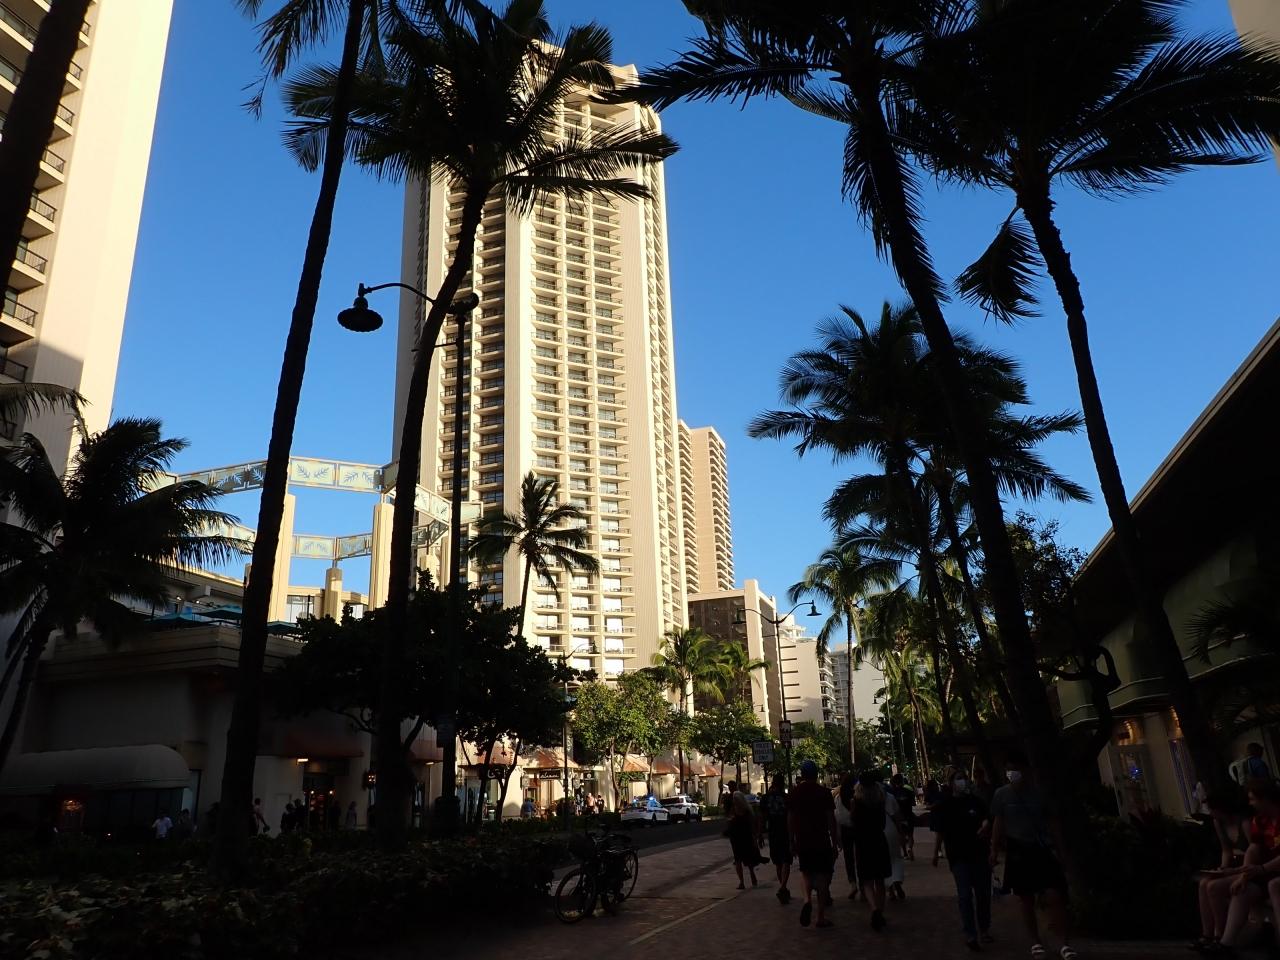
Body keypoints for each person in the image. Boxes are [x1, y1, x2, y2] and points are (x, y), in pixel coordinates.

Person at [989, 749, 1074, 960]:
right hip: (1018, 850)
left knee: (1055, 895)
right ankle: (1035, 942)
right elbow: (998, 822)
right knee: (1025, 899)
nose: (1012, 773)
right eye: (1009, 770)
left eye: (1015, 769)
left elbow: (1053, 824)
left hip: (1041, 848)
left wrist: (1061, 851)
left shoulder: (1039, 793)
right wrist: (993, 849)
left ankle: (1063, 942)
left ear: (1026, 769)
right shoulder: (1001, 795)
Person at [1208, 778, 1280, 957]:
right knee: (1241, 889)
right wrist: (1244, 875)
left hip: (1271, 870)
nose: (1250, 803)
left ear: (1265, 799)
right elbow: (1253, 847)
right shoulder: (1260, 821)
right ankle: (1226, 943)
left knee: (1274, 885)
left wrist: (1262, 869)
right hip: (1265, 871)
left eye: (1253, 799)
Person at [1191, 787, 1252, 952]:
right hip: (1233, 865)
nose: (1210, 813)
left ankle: (1220, 933)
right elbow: (1226, 849)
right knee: (1204, 883)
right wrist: (1223, 867)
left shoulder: (1244, 822)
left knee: (1213, 886)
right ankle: (1207, 934)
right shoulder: (1218, 823)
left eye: (1212, 809)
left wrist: (1239, 871)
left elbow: (1253, 849)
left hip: (1247, 864)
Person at [939, 768, 993, 951]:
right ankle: (971, 933)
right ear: (951, 783)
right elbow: (941, 831)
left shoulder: (976, 802)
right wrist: (937, 852)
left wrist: (985, 825)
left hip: (979, 854)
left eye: (963, 778)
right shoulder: (946, 805)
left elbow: (987, 818)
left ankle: (984, 929)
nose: (961, 781)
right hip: (958, 857)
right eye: (957, 779)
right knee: (964, 896)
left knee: (983, 895)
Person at [788, 759, 839, 929]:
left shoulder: (795, 793)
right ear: (816, 774)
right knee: (823, 877)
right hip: (821, 840)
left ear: (802, 774)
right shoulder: (823, 793)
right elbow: (831, 820)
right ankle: (820, 917)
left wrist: (791, 840)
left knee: (806, 873)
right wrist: (834, 841)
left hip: (803, 840)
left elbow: (790, 819)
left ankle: (806, 900)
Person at [852, 773, 891, 931]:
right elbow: (883, 823)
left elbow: (853, 822)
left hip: (863, 842)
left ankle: (874, 908)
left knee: (867, 880)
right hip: (878, 840)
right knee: (880, 879)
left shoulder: (856, 802)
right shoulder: (880, 801)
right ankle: (880, 911)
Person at [764, 774, 793, 904]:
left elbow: (762, 817)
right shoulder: (787, 798)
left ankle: (783, 887)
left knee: (778, 862)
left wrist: (759, 834)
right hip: (785, 832)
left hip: (773, 832)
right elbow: (791, 816)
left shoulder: (766, 798)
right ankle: (783, 887)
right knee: (786, 860)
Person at [727, 791, 764, 889]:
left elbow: (752, 824)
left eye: (736, 800)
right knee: (738, 860)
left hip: (745, 837)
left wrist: (755, 836)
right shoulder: (735, 810)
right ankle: (742, 881)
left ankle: (751, 874)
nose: (735, 802)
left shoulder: (746, 811)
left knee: (747, 858)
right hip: (736, 838)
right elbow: (730, 821)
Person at [836, 774, 861, 900]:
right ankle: (864, 885)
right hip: (859, 828)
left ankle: (853, 883)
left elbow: (837, 817)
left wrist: (837, 836)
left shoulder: (839, 797)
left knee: (848, 857)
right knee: (860, 856)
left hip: (845, 829)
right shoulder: (858, 795)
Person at [883, 780, 907, 900]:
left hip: (877, 832)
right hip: (891, 829)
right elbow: (897, 816)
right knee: (895, 858)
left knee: (883, 861)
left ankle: (890, 890)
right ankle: (896, 881)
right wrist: (901, 832)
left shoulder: (866, 797)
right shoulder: (889, 796)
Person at [890, 773, 917, 860]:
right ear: (902, 781)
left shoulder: (892, 793)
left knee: (901, 835)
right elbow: (913, 803)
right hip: (908, 815)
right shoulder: (908, 791)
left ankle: (905, 853)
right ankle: (910, 848)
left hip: (899, 817)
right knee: (910, 835)